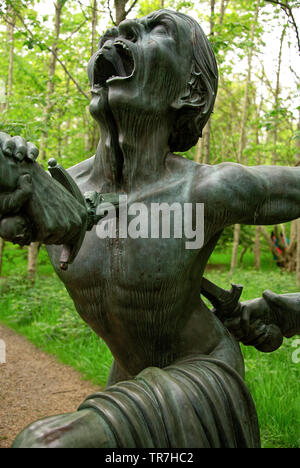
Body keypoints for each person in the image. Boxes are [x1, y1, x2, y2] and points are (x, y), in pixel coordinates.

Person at [0, 10, 300, 448]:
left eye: (157, 30)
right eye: (115, 31)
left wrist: (290, 306)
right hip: (128, 377)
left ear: (190, 88)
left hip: (202, 377)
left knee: (47, 445)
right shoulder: (51, 190)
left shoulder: (208, 191)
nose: (118, 32)